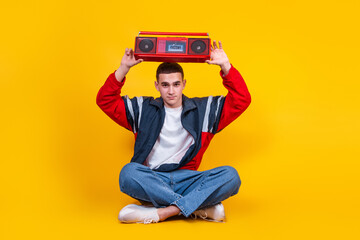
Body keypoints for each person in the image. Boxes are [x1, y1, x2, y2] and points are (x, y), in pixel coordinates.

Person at [96, 41, 251, 224]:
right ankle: (198, 207)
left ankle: (163, 212)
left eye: (176, 84)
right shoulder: (143, 110)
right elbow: (105, 100)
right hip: (153, 180)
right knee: (128, 173)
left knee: (231, 176)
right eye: (165, 85)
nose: (171, 91)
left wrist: (225, 66)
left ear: (184, 84)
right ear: (157, 86)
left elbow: (241, 99)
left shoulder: (204, 111)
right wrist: (123, 69)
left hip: (188, 180)